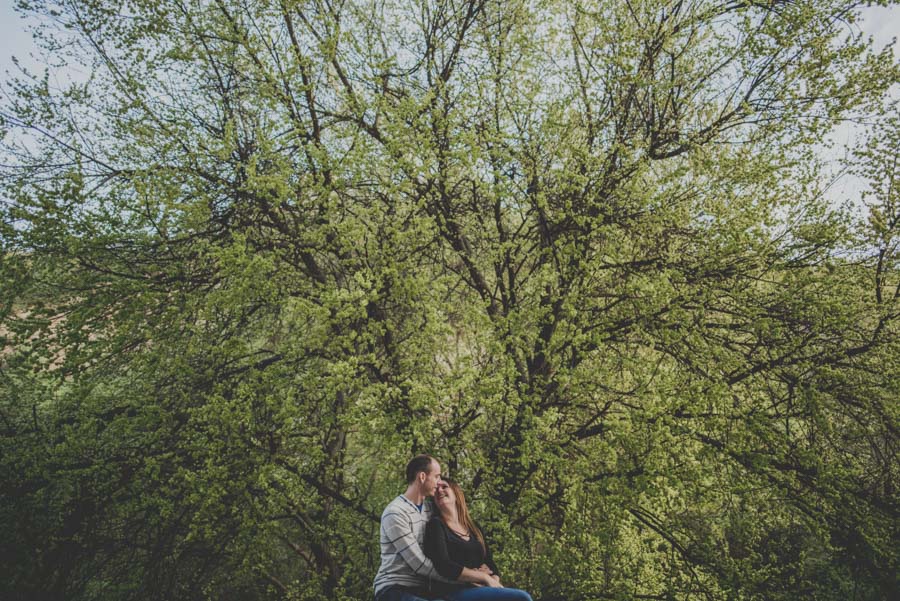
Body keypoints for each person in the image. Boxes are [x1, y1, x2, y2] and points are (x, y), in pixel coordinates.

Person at [373, 455, 497, 601]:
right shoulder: (395, 513)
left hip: (425, 589)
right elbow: (420, 565)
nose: (439, 483)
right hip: (395, 588)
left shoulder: (430, 509)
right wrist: (473, 578)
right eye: (437, 476)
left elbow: (453, 547)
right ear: (422, 477)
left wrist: (478, 570)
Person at [424, 478, 533, 601]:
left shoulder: (474, 527)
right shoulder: (435, 525)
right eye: (436, 489)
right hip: (453, 591)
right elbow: (444, 565)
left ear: (456, 493)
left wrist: (493, 582)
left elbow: (490, 563)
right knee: (522, 598)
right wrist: (482, 577)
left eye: (444, 487)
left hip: (482, 588)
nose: (439, 490)